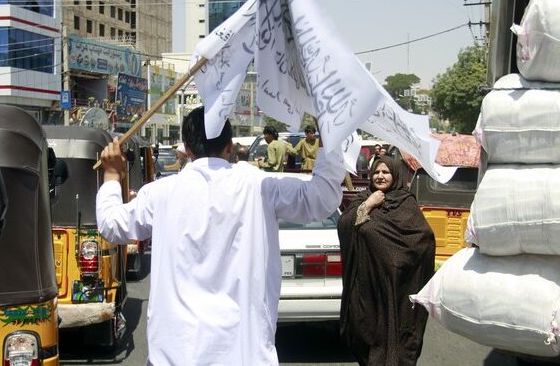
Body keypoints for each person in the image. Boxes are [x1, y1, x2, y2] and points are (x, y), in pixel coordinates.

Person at [96, 107, 346, 365]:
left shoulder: (160, 193)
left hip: (177, 354)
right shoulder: (259, 186)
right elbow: (323, 197)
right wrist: (328, 138)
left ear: (188, 149)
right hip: (244, 354)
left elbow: (111, 225)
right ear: (229, 146)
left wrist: (112, 176)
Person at [337, 156, 435, 366]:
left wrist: (399, 262)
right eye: (376, 172)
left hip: (398, 289)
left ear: (395, 175)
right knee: (366, 336)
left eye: (385, 172)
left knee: (398, 342)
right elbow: (344, 224)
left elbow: (423, 239)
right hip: (366, 289)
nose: (380, 176)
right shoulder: (363, 198)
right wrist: (368, 205)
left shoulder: (406, 203)